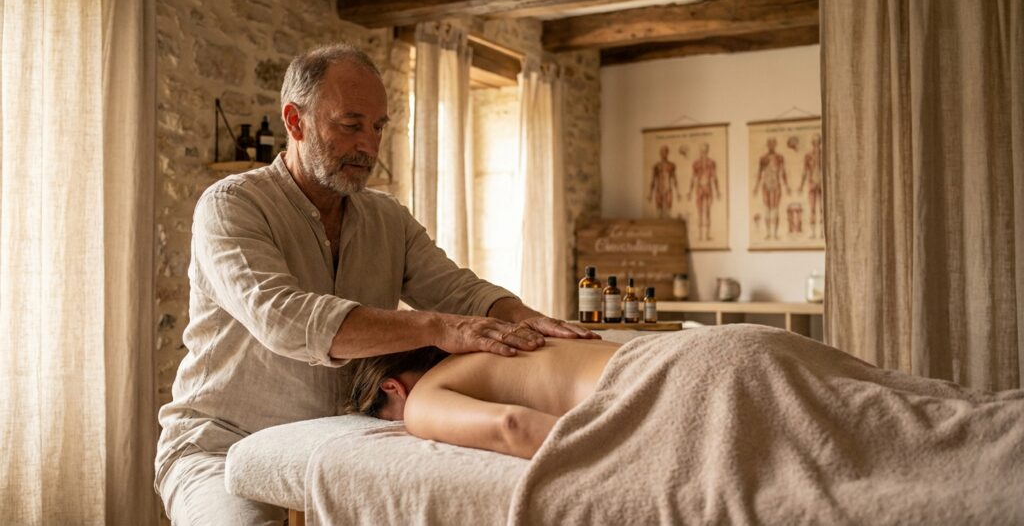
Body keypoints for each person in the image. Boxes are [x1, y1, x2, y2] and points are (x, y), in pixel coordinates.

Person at [154, 43, 597, 525]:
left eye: (378, 127)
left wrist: (529, 321)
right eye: (350, 125)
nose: (369, 145)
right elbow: (284, 319)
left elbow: (459, 290)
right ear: (295, 121)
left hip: (342, 443)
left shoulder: (388, 218)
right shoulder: (231, 206)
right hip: (221, 447)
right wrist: (437, 329)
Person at [347, 337, 623, 459]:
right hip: (648, 354)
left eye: (394, 417)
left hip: (632, 386)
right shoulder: (500, 341)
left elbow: (511, 426)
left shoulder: (421, 401)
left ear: (392, 388)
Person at [752, 137, 791, 240]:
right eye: (769, 144)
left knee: (775, 209)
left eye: (773, 144)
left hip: (776, 185)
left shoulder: (779, 158)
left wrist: (787, 186)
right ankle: (769, 233)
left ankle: (775, 233)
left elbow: (783, 172)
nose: (771, 146)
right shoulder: (763, 158)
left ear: (775, 145)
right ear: (767, 145)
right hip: (766, 185)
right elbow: (759, 173)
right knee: (767, 210)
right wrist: (756, 187)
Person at [686, 143, 721, 241]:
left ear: (707, 151)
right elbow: (693, 178)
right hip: (699, 188)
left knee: (708, 211)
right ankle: (701, 235)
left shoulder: (711, 163)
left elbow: (714, 177)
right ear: (700, 151)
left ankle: (707, 235)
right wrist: (690, 191)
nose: (703, 152)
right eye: (702, 150)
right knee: (700, 211)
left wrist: (718, 191)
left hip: (708, 187)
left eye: (705, 150)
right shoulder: (696, 163)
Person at [647, 145, 680, 217]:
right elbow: (653, 180)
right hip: (659, 189)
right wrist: (650, 194)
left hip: (668, 189)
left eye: (665, 152)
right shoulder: (656, 166)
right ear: (660, 153)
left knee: (668, 212)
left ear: (667, 153)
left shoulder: (671, 165)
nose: (663, 154)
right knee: (659, 212)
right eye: (662, 152)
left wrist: (678, 193)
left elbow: (674, 179)